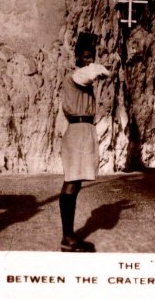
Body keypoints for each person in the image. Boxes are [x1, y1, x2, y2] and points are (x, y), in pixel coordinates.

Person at [59, 32, 110, 252]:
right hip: (78, 130)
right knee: (72, 181)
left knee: (76, 181)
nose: (89, 60)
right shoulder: (75, 76)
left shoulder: (82, 77)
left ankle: (68, 235)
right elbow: (93, 73)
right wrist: (99, 67)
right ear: (78, 57)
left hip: (85, 130)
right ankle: (68, 237)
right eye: (85, 56)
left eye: (91, 56)